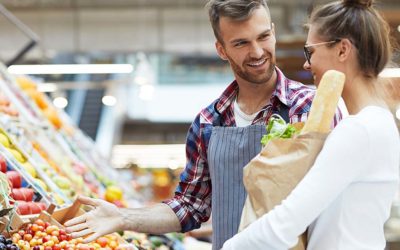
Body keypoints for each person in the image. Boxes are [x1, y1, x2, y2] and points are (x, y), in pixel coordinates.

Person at [64, 1, 342, 249]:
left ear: (273, 31)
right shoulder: (208, 122)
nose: (257, 51)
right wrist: (122, 217)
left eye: (263, 37)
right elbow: (190, 206)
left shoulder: (309, 108)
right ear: (221, 49)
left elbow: (335, 198)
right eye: (241, 43)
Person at [222, 0, 400, 249]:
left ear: (342, 50)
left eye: (310, 52)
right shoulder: (382, 123)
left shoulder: (358, 131)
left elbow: (285, 224)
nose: (307, 64)